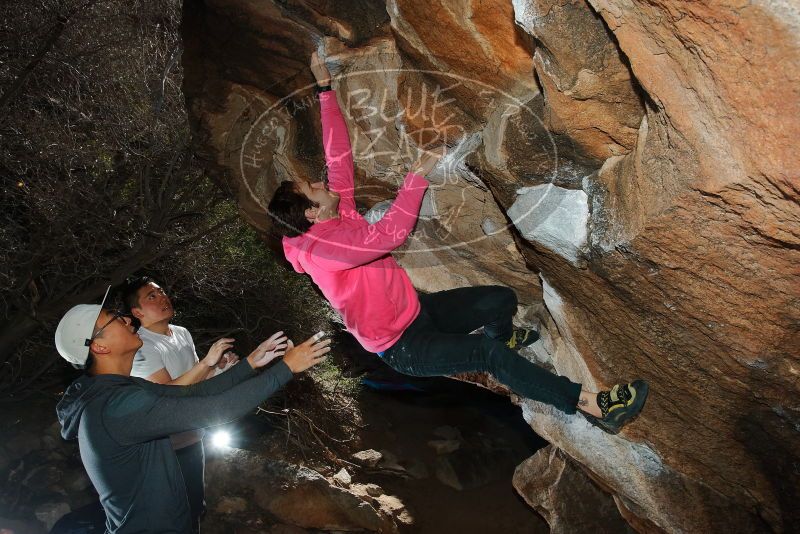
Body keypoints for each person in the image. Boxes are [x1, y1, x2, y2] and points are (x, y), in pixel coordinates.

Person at [266, 52, 648, 434]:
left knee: (501, 300)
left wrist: (324, 89)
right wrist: (416, 177)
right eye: (312, 188)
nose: (321, 183)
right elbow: (387, 237)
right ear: (312, 214)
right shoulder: (321, 253)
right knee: (486, 354)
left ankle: (507, 339)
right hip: (402, 346)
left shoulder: (338, 212)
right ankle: (592, 406)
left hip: (417, 311)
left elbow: (339, 158)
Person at [54, 290, 330, 533]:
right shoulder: (114, 406)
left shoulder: (118, 390)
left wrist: (249, 364)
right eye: (114, 318)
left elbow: (192, 393)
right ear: (100, 346)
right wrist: (286, 368)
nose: (126, 319)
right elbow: (214, 409)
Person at [120, 277, 233, 532]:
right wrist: (207, 363)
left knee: (195, 504)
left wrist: (219, 368)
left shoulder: (181, 332)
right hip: (163, 444)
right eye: (151, 296)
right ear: (137, 312)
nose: (163, 298)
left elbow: (195, 378)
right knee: (171, 511)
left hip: (191, 433)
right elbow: (167, 395)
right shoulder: (140, 345)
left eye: (162, 292)